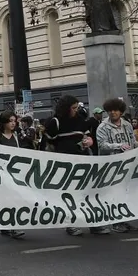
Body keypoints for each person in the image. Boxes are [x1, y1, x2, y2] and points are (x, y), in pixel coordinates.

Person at [45, 95, 95, 236]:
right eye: (73, 108)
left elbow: (88, 135)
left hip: (82, 160)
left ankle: (93, 222)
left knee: (86, 192)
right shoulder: (55, 122)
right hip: (65, 164)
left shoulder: (80, 120)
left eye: (77, 107)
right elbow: (48, 143)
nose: (76, 110)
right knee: (70, 194)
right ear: (66, 108)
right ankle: (71, 223)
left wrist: (89, 141)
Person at [94, 98, 138, 233]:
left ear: (121, 111)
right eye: (110, 110)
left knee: (125, 193)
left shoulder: (127, 125)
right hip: (110, 165)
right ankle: (115, 222)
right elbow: (102, 145)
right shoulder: (103, 127)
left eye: (116, 110)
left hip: (126, 164)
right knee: (113, 194)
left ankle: (124, 219)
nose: (113, 113)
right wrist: (119, 146)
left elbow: (133, 142)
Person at [0, 111, 26, 239]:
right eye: (10, 121)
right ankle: (6, 225)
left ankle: (13, 226)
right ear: (4, 122)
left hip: (13, 174)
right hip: (1, 174)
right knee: (4, 201)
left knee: (14, 200)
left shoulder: (15, 136)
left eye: (14, 121)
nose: (13, 123)